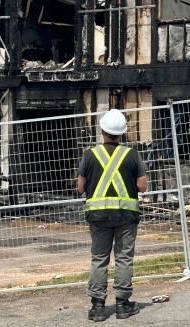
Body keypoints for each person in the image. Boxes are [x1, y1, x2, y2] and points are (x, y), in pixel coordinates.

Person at [77, 109, 148, 322]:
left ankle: (98, 306)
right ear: (122, 133)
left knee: (99, 258)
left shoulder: (89, 154)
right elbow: (142, 186)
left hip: (98, 216)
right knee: (124, 258)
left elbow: (80, 187)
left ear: (102, 130)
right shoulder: (132, 154)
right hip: (126, 216)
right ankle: (122, 304)